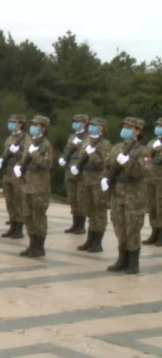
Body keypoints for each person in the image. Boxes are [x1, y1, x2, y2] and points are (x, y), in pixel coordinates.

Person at [103, 117, 147, 274]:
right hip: (117, 194)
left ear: (138, 131)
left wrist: (127, 162)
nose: (126, 129)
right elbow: (108, 166)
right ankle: (122, 258)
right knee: (119, 226)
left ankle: (133, 262)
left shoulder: (143, 151)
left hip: (133, 196)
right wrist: (104, 178)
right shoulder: (117, 147)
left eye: (130, 127)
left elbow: (140, 172)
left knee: (132, 228)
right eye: (125, 126)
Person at [14, 115, 53, 257]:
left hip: (39, 187)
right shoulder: (29, 142)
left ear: (44, 128)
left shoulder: (45, 144)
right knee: (28, 215)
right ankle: (31, 244)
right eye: (33, 124)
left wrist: (35, 153)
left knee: (39, 216)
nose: (33, 127)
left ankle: (39, 246)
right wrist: (18, 167)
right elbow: (23, 159)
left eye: (37, 125)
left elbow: (47, 163)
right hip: (27, 184)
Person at [72, 117, 112, 252]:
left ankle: (97, 242)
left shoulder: (105, 144)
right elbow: (81, 158)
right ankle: (90, 239)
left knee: (99, 212)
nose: (92, 127)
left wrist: (92, 154)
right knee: (90, 211)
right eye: (91, 125)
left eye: (95, 125)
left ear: (102, 128)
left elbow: (104, 164)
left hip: (97, 180)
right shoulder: (87, 141)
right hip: (86, 180)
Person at [0, 115, 31, 239]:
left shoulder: (26, 138)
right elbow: (5, 153)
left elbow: (27, 157)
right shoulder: (9, 138)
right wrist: (1, 159)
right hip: (7, 173)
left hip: (17, 174)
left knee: (18, 201)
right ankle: (12, 226)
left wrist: (16, 152)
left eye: (13, 122)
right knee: (9, 201)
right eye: (9, 122)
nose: (10, 124)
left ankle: (19, 228)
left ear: (20, 124)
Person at [59, 114, 89, 234]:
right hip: (69, 168)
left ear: (84, 124)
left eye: (78, 121)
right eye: (74, 121)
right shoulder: (72, 136)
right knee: (72, 198)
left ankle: (81, 225)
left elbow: (87, 153)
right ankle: (75, 223)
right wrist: (63, 158)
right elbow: (67, 150)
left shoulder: (88, 137)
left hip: (80, 170)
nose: (75, 123)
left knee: (81, 198)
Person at [143, 118, 162, 246]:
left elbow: (158, 159)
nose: (158, 127)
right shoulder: (152, 141)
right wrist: (148, 164)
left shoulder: (157, 144)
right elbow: (147, 157)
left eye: (160, 125)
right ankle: (154, 232)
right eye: (157, 125)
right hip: (151, 178)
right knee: (153, 206)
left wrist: (158, 150)